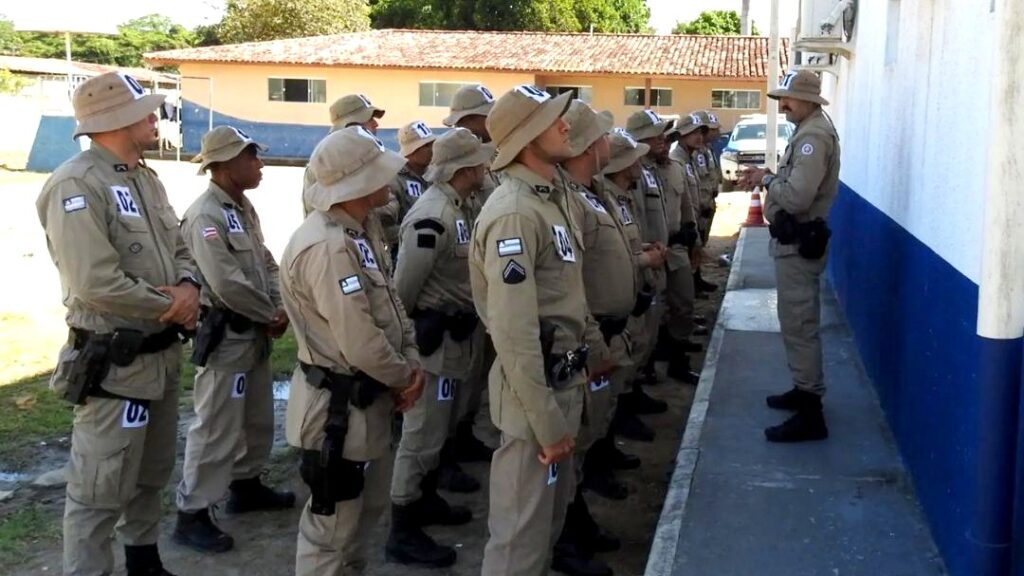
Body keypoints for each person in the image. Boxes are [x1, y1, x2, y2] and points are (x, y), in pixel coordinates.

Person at [36, 71, 199, 576]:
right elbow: (94, 282)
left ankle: (143, 562)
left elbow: (178, 246)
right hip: (116, 364)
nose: (154, 118)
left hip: (159, 357)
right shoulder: (77, 184)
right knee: (98, 491)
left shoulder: (143, 177)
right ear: (116, 119)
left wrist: (190, 284)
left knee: (150, 474)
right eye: (145, 111)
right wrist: (169, 304)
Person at [281, 126, 425, 575]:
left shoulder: (359, 229)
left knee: (362, 521)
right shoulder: (327, 245)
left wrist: (411, 365)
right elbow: (359, 338)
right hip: (338, 414)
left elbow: (392, 308)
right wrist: (405, 377)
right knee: (332, 535)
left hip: (367, 401)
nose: (388, 180)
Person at [470, 85, 601, 576]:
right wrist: (547, 422)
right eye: (553, 120)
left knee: (544, 530)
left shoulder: (547, 201)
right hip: (534, 399)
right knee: (518, 543)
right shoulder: (515, 214)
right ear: (527, 138)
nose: (566, 125)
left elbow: (568, 296)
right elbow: (514, 331)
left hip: (560, 386)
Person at [173, 126, 294, 554]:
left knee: (257, 418)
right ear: (224, 165)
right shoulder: (205, 215)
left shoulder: (242, 208)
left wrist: (279, 306)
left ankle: (246, 484)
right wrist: (270, 313)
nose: (259, 165)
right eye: (250, 158)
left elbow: (265, 262)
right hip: (228, 335)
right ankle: (193, 512)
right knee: (216, 426)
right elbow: (225, 281)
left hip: (253, 333)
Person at [385, 127, 494, 567]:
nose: (486, 167)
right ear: (465, 169)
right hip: (436, 341)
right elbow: (403, 289)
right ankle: (402, 526)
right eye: (480, 162)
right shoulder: (432, 216)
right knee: (421, 435)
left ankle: (425, 497)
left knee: (440, 430)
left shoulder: (460, 206)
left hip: (458, 337)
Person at [738, 69, 841, 443]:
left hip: (799, 243)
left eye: (789, 98)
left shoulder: (813, 137)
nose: (782, 105)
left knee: (799, 323)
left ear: (809, 100)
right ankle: (803, 389)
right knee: (795, 321)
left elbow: (797, 197)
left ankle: (811, 411)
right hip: (793, 242)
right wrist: (768, 176)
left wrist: (767, 180)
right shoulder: (807, 131)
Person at [550, 101, 628, 576]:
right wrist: (595, 346)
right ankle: (564, 539)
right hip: (583, 338)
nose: (608, 144)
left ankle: (575, 524)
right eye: (601, 136)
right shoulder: (569, 203)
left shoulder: (591, 193)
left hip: (599, 333)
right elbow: (570, 285)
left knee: (585, 436)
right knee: (570, 447)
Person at [301, 94, 386, 216]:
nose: (375, 124)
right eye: (369, 119)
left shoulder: (364, 155)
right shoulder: (328, 160)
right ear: (350, 124)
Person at [380, 121, 436, 259]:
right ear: (412, 150)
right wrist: (417, 233)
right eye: (426, 146)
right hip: (404, 251)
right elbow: (385, 228)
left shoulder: (434, 174)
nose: (432, 149)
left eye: (432, 144)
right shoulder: (394, 178)